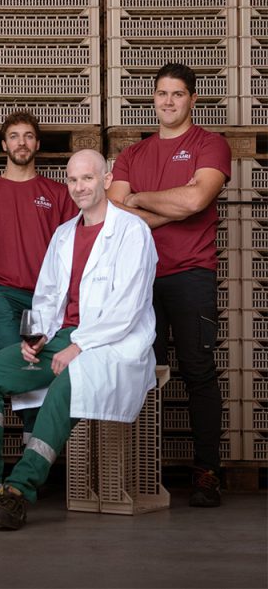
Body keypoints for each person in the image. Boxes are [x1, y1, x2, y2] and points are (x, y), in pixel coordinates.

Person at [0, 149, 157, 530]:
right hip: (61, 337)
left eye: (88, 178)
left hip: (109, 342)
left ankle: (18, 491)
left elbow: (127, 306)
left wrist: (78, 345)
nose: (79, 187)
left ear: (107, 180)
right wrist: (40, 336)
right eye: (73, 180)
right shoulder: (64, 234)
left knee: (68, 384)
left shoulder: (132, 232)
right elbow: (48, 295)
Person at [107, 63, 232, 507]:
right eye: (162, 93)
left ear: (192, 100)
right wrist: (171, 207)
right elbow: (115, 213)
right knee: (145, 375)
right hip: (140, 280)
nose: (168, 101)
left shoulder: (210, 144)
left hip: (191, 274)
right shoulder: (133, 156)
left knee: (198, 372)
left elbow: (197, 198)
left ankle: (206, 473)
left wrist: (141, 199)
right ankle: (146, 473)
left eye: (178, 94)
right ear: (153, 98)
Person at [0, 111, 77, 460]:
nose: (21, 142)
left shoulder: (57, 193)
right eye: (14, 136)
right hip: (5, 297)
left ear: (37, 144)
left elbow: (74, 249)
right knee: (14, 370)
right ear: (4, 144)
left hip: (47, 301)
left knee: (34, 375)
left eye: (28, 136)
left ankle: (31, 461)